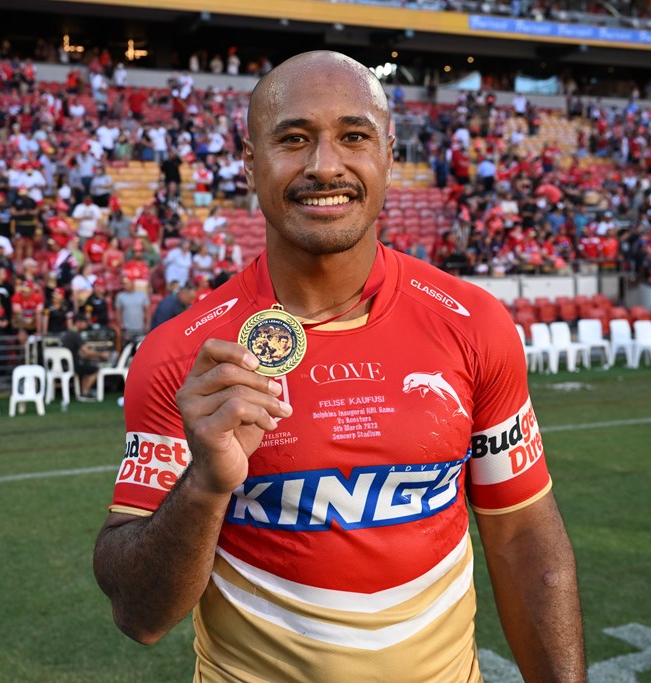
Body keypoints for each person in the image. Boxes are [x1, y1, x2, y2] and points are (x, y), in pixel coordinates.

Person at [93, 51, 585, 682]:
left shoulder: (473, 324)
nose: (325, 167)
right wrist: (207, 484)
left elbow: (521, 539)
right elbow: (140, 616)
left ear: (387, 153)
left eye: (354, 137)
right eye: (293, 140)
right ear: (250, 165)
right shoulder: (182, 357)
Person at [61, 312, 111, 400]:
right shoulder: (75, 334)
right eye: (85, 323)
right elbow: (86, 352)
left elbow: (82, 353)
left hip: (64, 364)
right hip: (71, 364)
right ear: (79, 322)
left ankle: (83, 392)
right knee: (94, 369)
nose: (87, 325)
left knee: (87, 366)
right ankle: (85, 392)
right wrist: (101, 355)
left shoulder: (67, 333)